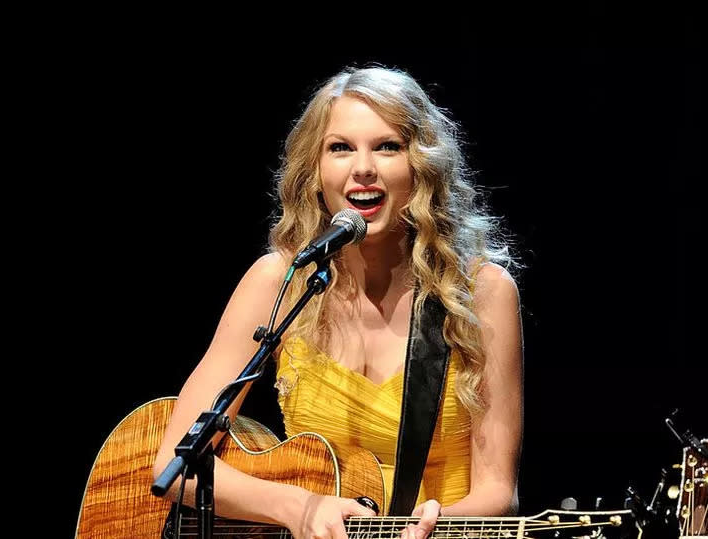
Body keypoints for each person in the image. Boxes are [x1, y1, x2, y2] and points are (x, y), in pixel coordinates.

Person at [153, 65, 523, 539]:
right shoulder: (279, 283)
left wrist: (434, 526)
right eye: (340, 147)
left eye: (388, 146)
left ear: (422, 167)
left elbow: (498, 490)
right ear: (316, 171)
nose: (363, 167)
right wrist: (297, 506)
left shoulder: (481, 294)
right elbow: (174, 463)